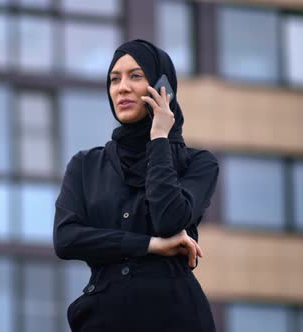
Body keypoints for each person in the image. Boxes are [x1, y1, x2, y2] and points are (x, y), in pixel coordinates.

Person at [53, 39, 219, 331]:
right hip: (103, 318)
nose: (122, 88)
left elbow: (169, 219)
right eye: (114, 79)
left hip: (174, 316)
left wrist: (159, 138)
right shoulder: (86, 164)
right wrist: (149, 245)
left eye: (136, 76)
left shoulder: (198, 163)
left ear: (162, 87)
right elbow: (66, 239)